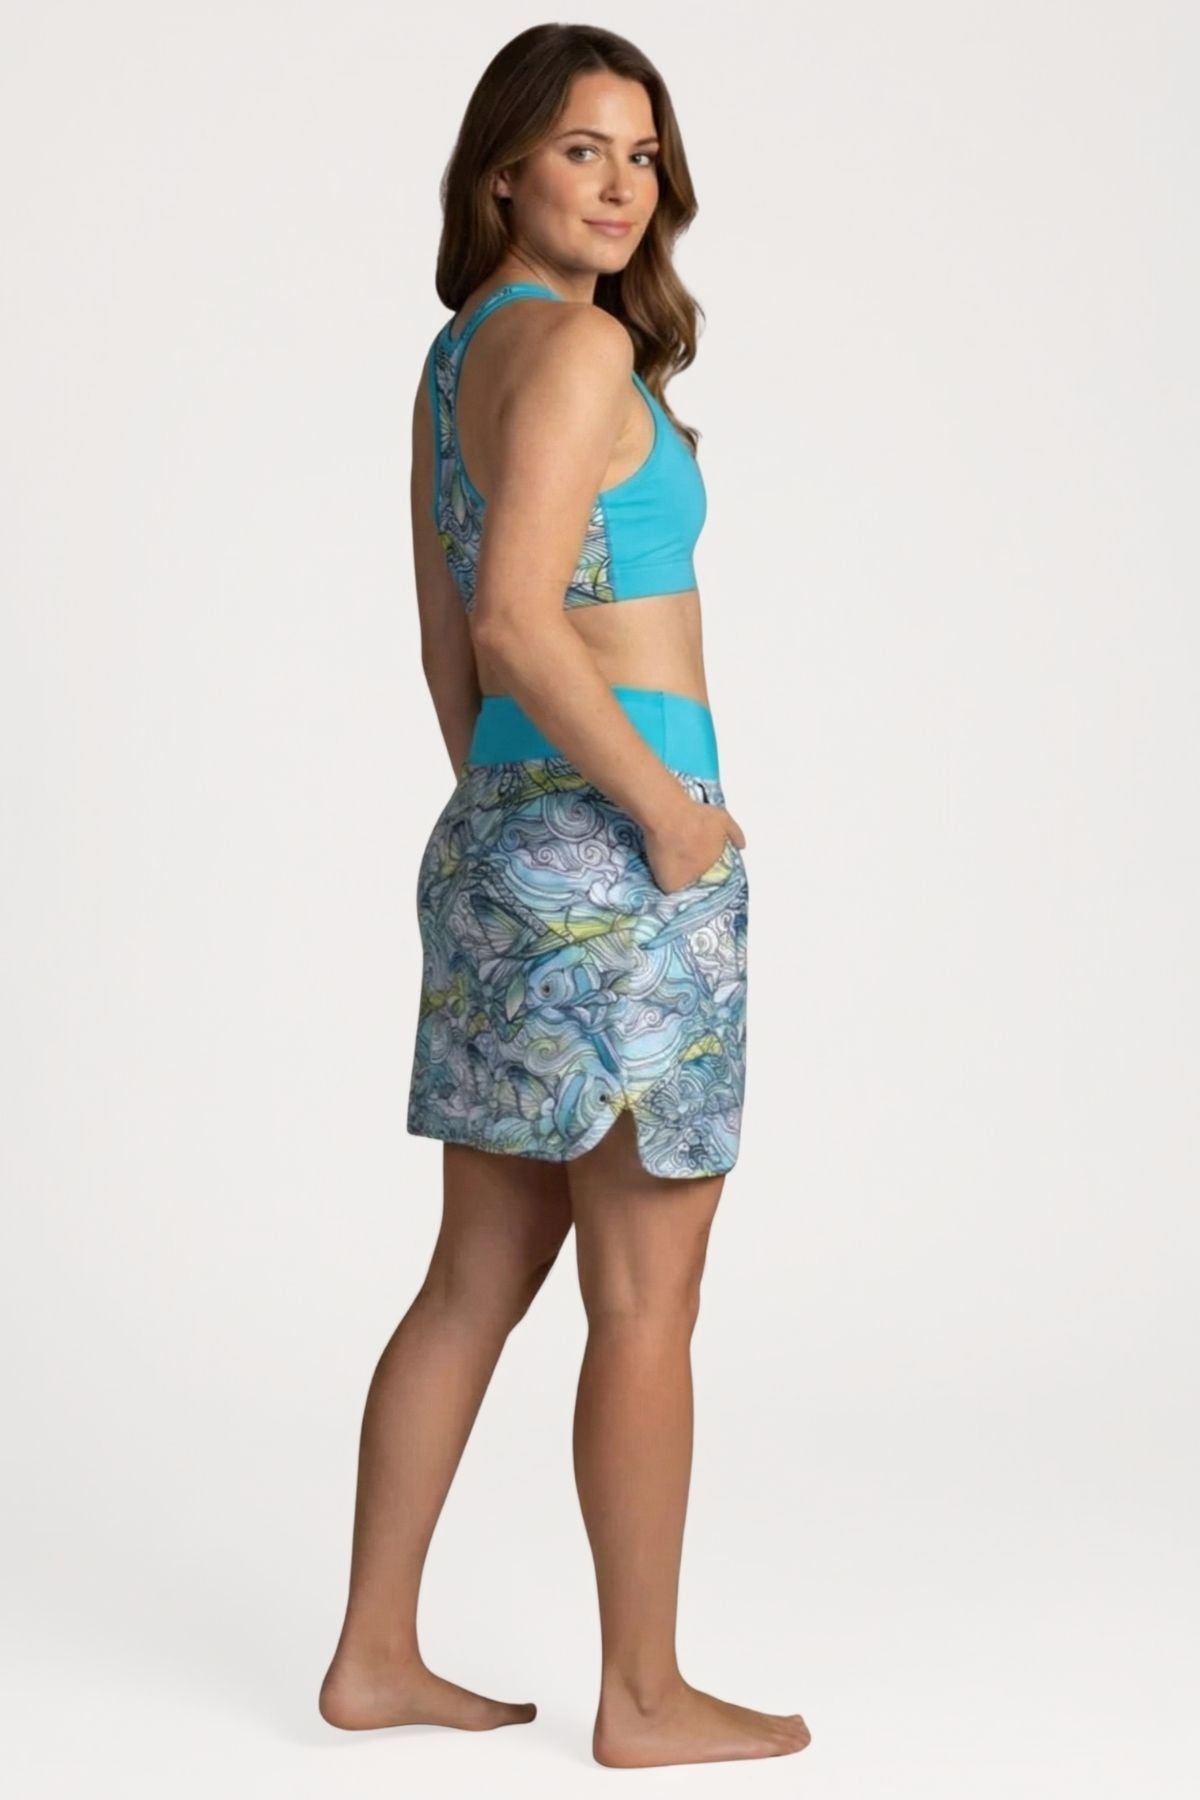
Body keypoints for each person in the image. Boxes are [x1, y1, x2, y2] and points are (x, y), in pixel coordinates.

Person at [318, 23, 809, 1771]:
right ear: (504, 169)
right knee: (648, 1298)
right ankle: (648, 1698)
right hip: (620, 851)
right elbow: (517, 619)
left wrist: (515, 819)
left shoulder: (459, 358)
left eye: (644, 154)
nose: (620, 185)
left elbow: (450, 654)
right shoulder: (584, 350)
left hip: (506, 836)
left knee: (478, 1273)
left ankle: (374, 1656)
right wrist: (667, 820)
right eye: (584, 148)